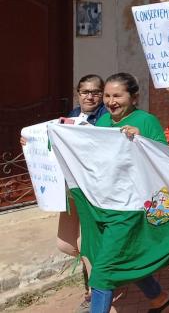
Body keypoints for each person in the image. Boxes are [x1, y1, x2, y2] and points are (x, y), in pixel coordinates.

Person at [25, 74, 108, 313]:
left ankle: (95, 291)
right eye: (85, 92)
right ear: (78, 93)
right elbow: (52, 141)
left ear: (101, 94)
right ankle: (104, 268)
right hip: (69, 190)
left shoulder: (104, 118)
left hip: (91, 190)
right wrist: (31, 142)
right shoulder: (72, 115)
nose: (90, 96)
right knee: (64, 243)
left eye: (95, 92)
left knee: (86, 242)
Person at [92, 73, 169, 313]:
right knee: (126, 259)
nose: (111, 101)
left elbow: (165, 158)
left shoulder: (146, 120)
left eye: (117, 95)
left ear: (134, 97)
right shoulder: (103, 122)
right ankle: (161, 300)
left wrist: (142, 139)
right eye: (107, 95)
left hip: (132, 207)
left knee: (103, 271)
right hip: (105, 205)